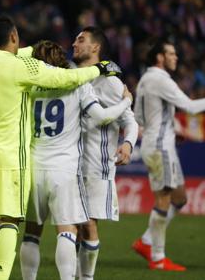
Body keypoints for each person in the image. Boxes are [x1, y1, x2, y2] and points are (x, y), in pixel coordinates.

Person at [0, 16, 120, 280]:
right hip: (33, 162)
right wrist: (102, 69)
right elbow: (69, 82)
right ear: (13, 36)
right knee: (29, 224)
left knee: (4, 225)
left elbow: (21, 54)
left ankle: (4, 275)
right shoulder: (30, 72)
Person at [18, 41, 133, 280]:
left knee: (31, 234)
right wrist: (126, 102)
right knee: (67, 232)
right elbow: (102, 117)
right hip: (64, 170)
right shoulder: (77, 84)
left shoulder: (29, 85)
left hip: (34, 167)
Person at [132, 39, 205, 271]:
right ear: (160, 57)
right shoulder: (160, 79)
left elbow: (140, 118)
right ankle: (158, 258)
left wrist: (170, 129)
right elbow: (191, 107)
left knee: (180, 198)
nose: (176, 57)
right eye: (171, 54)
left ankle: (146, 241)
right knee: (163, 199)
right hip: (160, 148)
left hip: (159, 144)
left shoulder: (145, 79)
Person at [72, 26, 139, 279]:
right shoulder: (73, 75)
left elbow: (130, 121)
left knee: (88, 224)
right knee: (73, 225)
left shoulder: (110, 81)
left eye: (81, 40)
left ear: (95, 47)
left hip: (96, 165)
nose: (74, 43)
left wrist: (128, 144)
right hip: (70, 164)